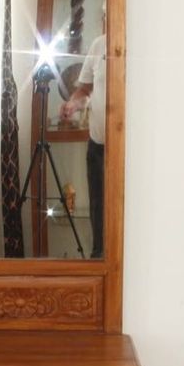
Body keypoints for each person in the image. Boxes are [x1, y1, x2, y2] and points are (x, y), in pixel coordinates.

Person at [58, 19, 106, 259]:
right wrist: (73, 104)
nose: (105, 21)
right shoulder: (98, 45)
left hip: (130, 151)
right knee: (98, 215)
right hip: (98, 147)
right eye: (103, 16)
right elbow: (85, 91)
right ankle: (99, 260)